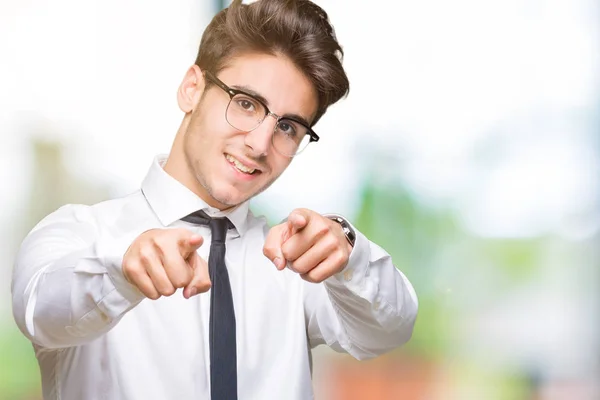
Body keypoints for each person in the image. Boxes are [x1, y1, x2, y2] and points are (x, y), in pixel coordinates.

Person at [11, 0, 418, 399]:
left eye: (289, 127)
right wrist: (122, 269)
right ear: (192, 89)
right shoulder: (80, 233)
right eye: (245, 103)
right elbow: (39, 312)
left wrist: (347, 251)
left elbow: (387, 329)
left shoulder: (292, 261)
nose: (260, 144)